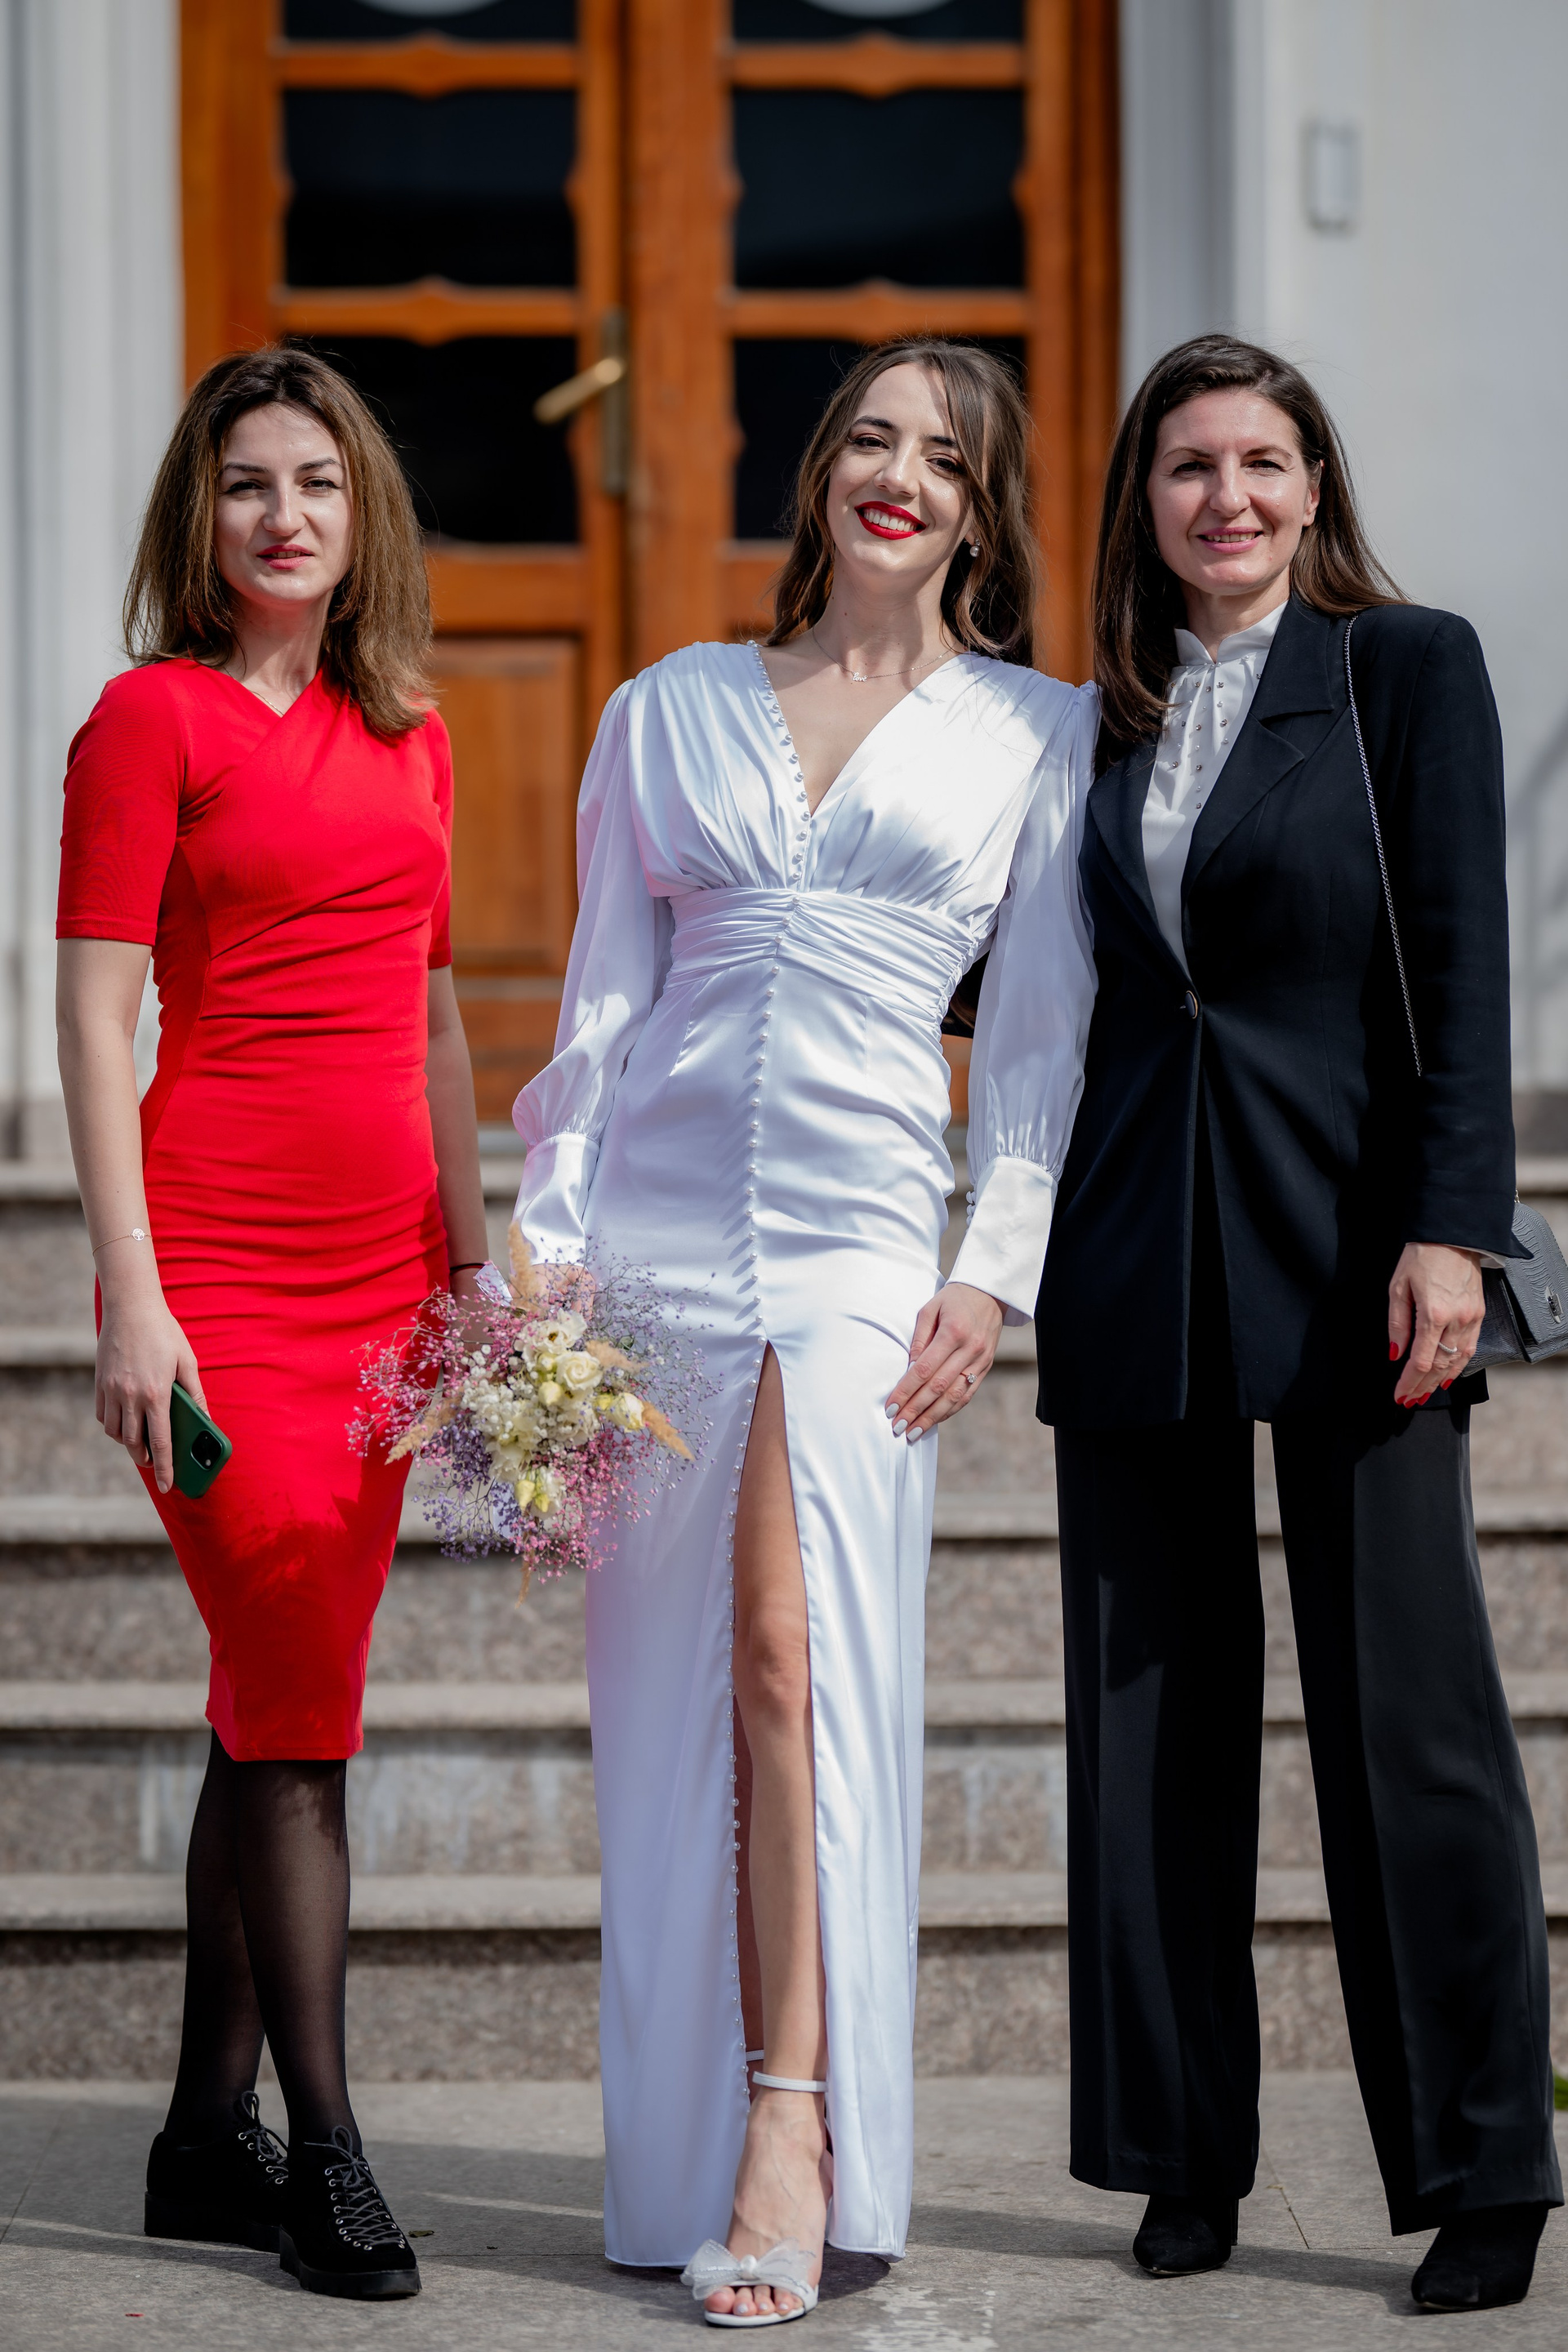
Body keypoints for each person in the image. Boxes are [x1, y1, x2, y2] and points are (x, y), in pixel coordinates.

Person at [513, 339, 1096, 2321]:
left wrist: (992, 1264)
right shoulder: (665, 707)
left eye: (945, 456)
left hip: (861, 1242)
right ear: (822, 471)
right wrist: (552, 1250)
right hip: (657, 1242)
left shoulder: (1039, 732)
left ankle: (796, 2117)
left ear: (982, 511)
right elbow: (603, 1002)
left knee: (794, 1660)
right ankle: (689, 2148)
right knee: (670, 1704)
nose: (899, 475)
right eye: (870, 437)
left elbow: (1040, 1034)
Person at [1037, 332, 1561, 2311]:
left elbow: (1463, 964)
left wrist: (1456, 1232)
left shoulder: (1403, 669)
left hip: (1357, 1249)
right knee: (1148, 1729)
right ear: (1143, 501)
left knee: (1410, 1717)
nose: (1227, 498)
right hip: (1134, 1248)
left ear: (1315, 485)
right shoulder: (1093, 714)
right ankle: (1182, 2155)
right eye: (1189, 465)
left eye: (1262, 461)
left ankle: (1485, 2165)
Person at [55, 345, 488, 2301]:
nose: (283, 515)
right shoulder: (147, 720)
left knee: (273, 1691)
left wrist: (471, 1269)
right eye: (247, 484)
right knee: (300, 1704)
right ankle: (327, 2155)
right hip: (218, 1278)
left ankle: (193, 2142)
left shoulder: (415, 732)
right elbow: (92, 1016)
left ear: (360, 513)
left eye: (316, 482)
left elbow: (434, 1011)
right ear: (202, 516)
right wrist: (133, 1299)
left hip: (383, 1281)